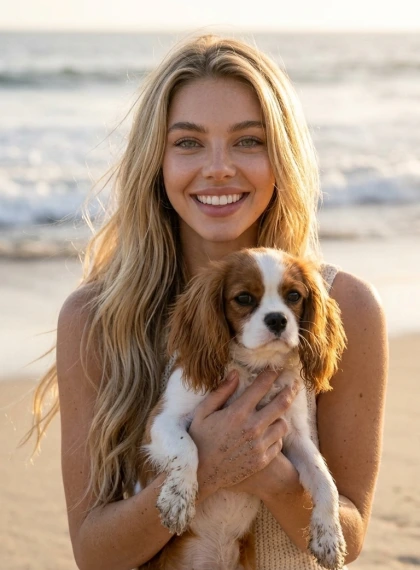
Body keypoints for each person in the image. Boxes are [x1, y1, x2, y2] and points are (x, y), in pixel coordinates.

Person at [27, 34, 388, 569]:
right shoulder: (95, 318)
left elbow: (348, 538)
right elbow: (94, 555)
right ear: (156, 161)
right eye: (189, 142)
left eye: (248, 140)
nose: (218, 167)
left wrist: (264, 467)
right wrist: (209, 466)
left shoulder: (341, 305)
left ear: (281, 156)